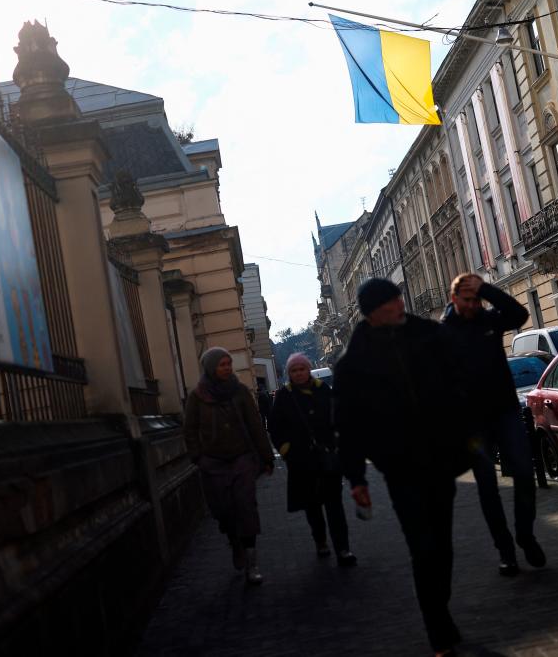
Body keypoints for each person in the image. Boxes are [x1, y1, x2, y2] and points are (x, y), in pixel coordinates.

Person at [334, 278, 471, 657]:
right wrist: (356, 478)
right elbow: (347, 426)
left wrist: (463, 427)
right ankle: (438, 628)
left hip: (440, 458)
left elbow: (460, 378)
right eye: (392, 301)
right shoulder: (353, 363)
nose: (400, 304)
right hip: (399, 467)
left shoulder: (428, 335)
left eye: (398, 298)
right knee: (422, 548)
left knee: (442, 546)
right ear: (374, 311)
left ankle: (438, 605)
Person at [441, 273, 546, 577]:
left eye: (477, 299)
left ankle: (525, 535)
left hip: (505, 412)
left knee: (525, 473)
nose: (473, 305)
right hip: (472, 424)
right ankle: (506, 551)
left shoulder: (488, 320)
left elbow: (520, 315)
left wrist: (486, 289)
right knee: (488, 488)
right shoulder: (444, 333)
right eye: (467, 299)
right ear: (454, 299)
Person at [183, 347, 275, 585]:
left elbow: (255, 425)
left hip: (242, 458)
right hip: (213, 463)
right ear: (211, 367)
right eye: (222, 364)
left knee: (246, 507)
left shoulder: (240, 392)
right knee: (224, 511)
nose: (226, 368)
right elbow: (190, 429)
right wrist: (198, 457)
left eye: (228, 363)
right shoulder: (197, 396)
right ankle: (235, 543)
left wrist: (266, 457)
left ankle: (252, 562)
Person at [269, 353, 356, 566]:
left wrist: (338, 442)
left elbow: (338, 418)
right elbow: (275, 427)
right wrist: (286, 450)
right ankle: (320, 540)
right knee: (312, 506)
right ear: (289, 374)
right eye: (294, 370)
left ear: (308, 370)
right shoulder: (283, 396)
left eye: (302, 369)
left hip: (327, 458)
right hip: (301, 462)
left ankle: (343, 549)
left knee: (335, 505)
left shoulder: (323, 389)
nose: (299, 373)